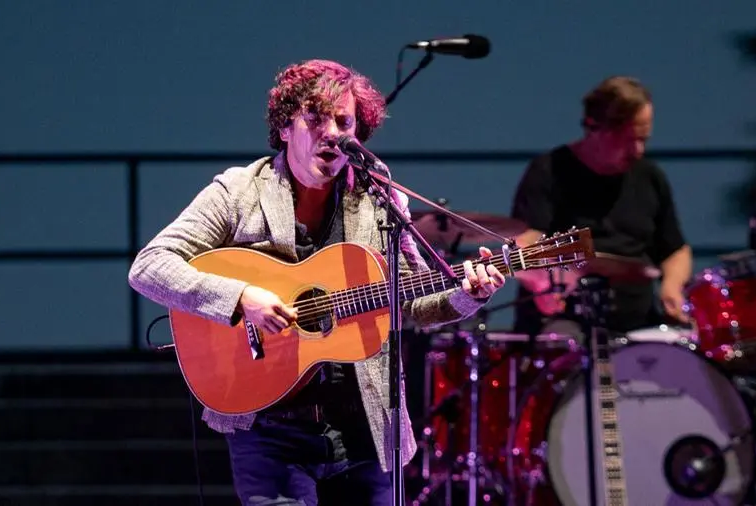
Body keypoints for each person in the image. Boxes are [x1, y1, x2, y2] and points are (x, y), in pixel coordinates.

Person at [127, 59, 506, 506]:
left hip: (364, 425)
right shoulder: (238, 193)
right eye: (314, 118)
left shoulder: (380, 199)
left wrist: (466, 295)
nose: (331, 132)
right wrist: (240, 297)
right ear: (285, 127)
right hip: (269, 429)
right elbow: (150, 265)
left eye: (343, 121)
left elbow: (408, 303)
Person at [510, 75, 693, 337]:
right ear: (594, 128)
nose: (638, 150)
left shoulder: (650, 177)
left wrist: (672, 286)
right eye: (629, 140)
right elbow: (525, 244)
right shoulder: (549, 171)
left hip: (637, 326)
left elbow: (675, 249)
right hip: (565, 323)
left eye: (644, 139)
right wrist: (542, 286)